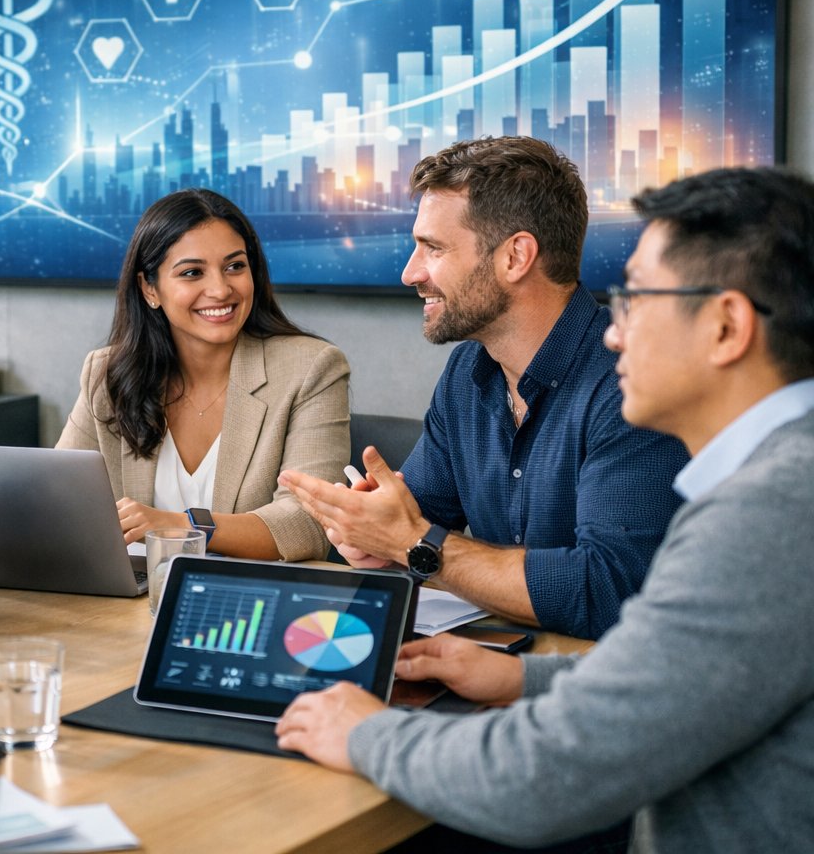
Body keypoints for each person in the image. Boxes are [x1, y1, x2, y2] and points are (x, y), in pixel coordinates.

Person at [276, 167, 814, 852]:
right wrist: (518, 674)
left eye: (637, 299)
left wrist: (366, 732)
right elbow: (684, 673)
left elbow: (549, 775)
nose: (614, 333)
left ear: (727, 325)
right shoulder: (779, 482)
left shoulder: (768, 515)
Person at [281, 137, 688, 638]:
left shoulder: (633, 382)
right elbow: (415, 521)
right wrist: (372, 535)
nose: (411, 273)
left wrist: (416, 544)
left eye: (433, 248)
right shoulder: (467, 371)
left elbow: (606, 593)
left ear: (516, 256)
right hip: (502, 671)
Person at [58, 188, 349, 561]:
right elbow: (61, 500)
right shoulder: (108, 374)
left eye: (235, 266)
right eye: (192, 272)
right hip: (130, 603)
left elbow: (308, 524)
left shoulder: (312, 368)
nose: (220, 289)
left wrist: (179, 526)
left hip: (248, 600)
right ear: (150, 288)